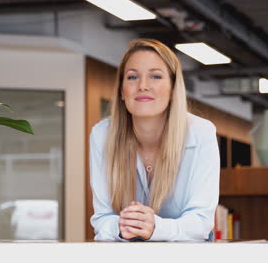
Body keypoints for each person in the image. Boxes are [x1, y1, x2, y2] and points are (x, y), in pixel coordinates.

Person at [89, 38, 220, 241]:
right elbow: (102, 219)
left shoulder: (201, 133)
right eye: (132, 77)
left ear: (173, 89)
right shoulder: (102, 134)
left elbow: (201, 222)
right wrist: (122, 225)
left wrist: (155, 227)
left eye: (155, 76)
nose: (143, 86)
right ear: (121, 91)